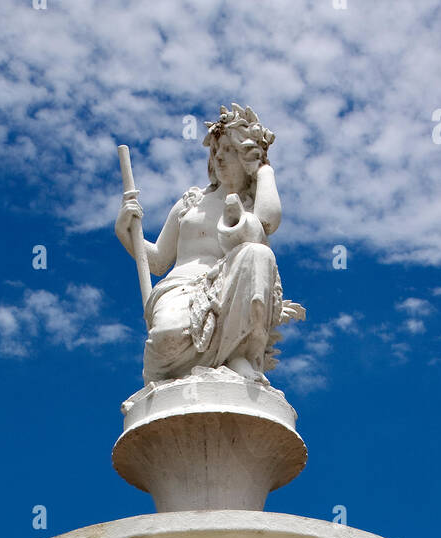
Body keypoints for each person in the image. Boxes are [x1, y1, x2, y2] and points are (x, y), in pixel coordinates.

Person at [115, 103, 304, 384]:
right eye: (216, 150)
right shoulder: (191, 201)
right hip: (180, 287)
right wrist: (125, 231)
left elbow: (267, 222)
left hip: (227, 291)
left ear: (246, 157)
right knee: (167, 336)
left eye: (228, 149)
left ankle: (236, 352)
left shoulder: (253, 205)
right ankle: (211, 359)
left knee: (257, 253)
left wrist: (265, 171)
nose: (219, 157)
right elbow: (155, 261)